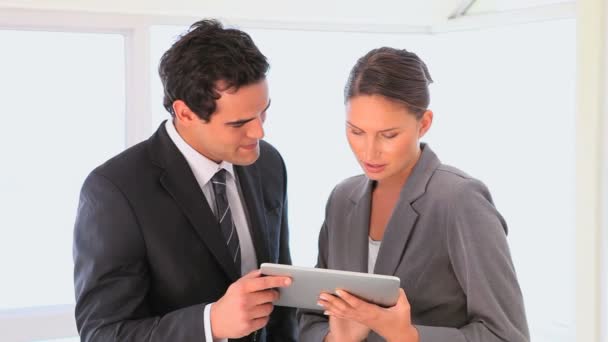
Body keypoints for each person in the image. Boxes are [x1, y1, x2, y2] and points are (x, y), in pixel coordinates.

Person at [73, 19, 296, 342]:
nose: (259, 132)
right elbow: (103, 333)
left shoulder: (269, 164)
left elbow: (280, 306)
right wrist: (210, 323)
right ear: (186, 113)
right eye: (239, 123)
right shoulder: (115, 190)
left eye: (263, 112)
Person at [298, 47, 530, 342]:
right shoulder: (343, 199)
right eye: (356, 132)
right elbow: (311, 318)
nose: (369, 152)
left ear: (424, 123)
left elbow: (507, 335)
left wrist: (408, 336)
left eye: (389, 135)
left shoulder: (460, 200)